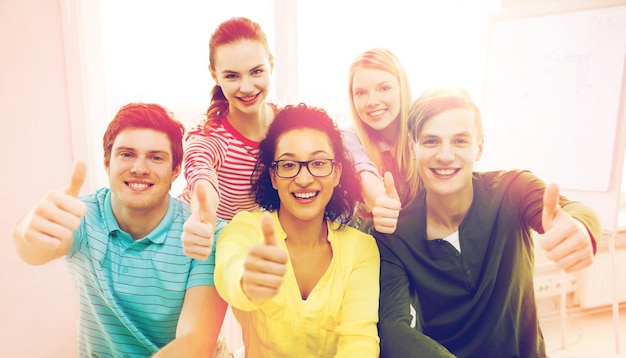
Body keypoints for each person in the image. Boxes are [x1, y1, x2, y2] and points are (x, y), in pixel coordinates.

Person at [375, 87, 602, 357]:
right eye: (431, 141)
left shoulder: (514, 189)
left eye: (460, 141)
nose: (445, 155)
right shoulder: (394, 234)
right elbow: (392, 327)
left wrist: (582, 227)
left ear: (479, 147)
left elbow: (571, 210)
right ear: (413, 147)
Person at [12, 103, 228, 357]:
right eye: (126, 154)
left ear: (175, 171)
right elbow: (34, 250)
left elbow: (195, 342)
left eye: (156, 157)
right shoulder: (83, 215)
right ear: (107, 162)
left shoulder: (202, 233)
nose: (139, 168)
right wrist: (28, 231)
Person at [214, 103, 380, 357]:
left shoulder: (361, 249)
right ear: (273, 176)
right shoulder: (245, 229)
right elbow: (229, 269)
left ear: (336, 173)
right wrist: (247, 281)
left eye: (319, 163)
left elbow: (360, 342)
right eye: (289, 165)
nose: (304, 179)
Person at [180, 17, 279, 261]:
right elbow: (200, 171)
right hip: (198, 241)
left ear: (271, 65)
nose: (246, 87)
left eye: (256, 71)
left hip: (247, 244)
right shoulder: (209, 136)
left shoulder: (287, 127)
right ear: (214, 75)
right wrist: (203, 213)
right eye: (232, 76)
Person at [344, 48, 419, 234]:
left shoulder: (424, 133)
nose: (372, 101)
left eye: (384, 88)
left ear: (402, 88)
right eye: (361, 93)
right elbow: (363, 172)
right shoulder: (348, 138)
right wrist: (382, 203)